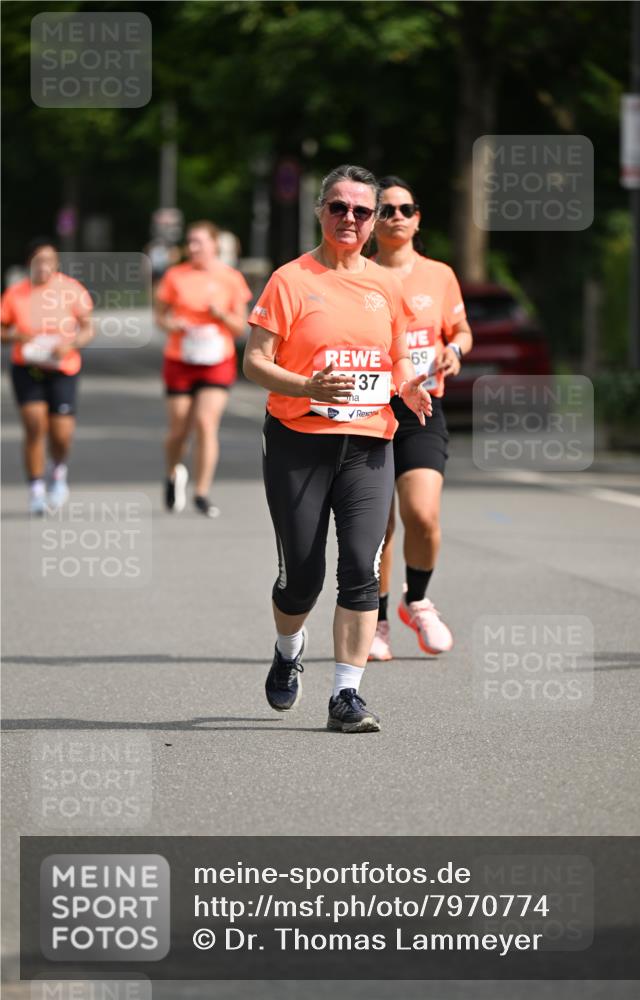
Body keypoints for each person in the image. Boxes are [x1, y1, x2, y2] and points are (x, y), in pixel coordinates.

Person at [243, 164, 432, 733]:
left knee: (360, 569)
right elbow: (254, 361)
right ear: (320, 211)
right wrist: (306, 387)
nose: (349, 218)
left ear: (374, 222)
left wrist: (408, 383)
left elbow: (398, 355)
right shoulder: (290, 280)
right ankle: (287, 647)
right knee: (301, 578)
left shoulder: (386, 285)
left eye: (362, 210)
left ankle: (346, 696)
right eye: (338, 207)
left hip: (370, 444)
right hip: (298, 441)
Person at [368, 176, 473, 661]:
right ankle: (379, 620)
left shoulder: (439, 274)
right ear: (372, 220)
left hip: (422, 407)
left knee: (423, 516)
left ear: (417, 218)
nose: (396, 217)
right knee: (380, 526)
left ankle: (418, 600)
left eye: (404, 209)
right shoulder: (357, 273)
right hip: (369, 408)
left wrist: (452, 349)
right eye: (385, 209)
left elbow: (462, 330)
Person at [155, 220, 252, 517]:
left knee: (206, 424)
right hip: (181, 358)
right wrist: (175, 325)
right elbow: (160, 317)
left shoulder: (231, 278)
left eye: (199, 241)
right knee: (178, 430)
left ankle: (201, 492)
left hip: (216, 359)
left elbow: (240, 328)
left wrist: (220, 314)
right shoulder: (176, 275)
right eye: (190, 242)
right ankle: (173, 473)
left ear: (214, 245)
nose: (193, 247)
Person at [1, 239, 94, 515]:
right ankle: (36, 489)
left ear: (56, 264)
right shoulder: (15, 294)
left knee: (61, 434)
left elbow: (88, 328)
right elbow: (2, 330)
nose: (43, 266)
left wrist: (71, 344)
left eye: (49, 261)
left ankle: (58, 471)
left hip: (63, 369)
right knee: (34, 426)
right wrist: (15, 335)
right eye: (38, 261)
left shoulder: (71, 290)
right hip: (27, 368)